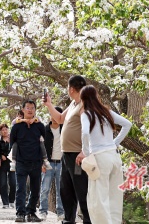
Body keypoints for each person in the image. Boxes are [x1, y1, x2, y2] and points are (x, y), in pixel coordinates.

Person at [79, 85, 132, 224]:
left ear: (83, 99)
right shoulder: (106, 112)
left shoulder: (86, 114)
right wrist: (115, 143)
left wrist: (86, 152)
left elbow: (85, 133)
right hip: (114, 156)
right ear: (96, 96)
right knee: (115, 196)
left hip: (100, 157)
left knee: (98, 197)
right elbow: (127, 124)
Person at [44, 75, 92, 224]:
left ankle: (88, 220)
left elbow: (88, 130)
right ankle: (68, 219)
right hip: (66, 154)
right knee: (66, 188)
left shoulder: (84, 104)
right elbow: (59, 119)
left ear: (71, 89)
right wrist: (49, 105)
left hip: (77, 155)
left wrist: (84, 151)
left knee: (80, 187)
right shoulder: (73, 103)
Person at [11, 100, 46, 223]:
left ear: (35, 110)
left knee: (35, 189)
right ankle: (20, 213)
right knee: (20, 189)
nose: (30, 110)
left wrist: (43, 161)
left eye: (32, 108)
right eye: (27, 107)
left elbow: (44, 142)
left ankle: (31, 212)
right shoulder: (16, 126)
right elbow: (12, 142)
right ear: (23, 109)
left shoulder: (40, 126)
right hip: (21, 162)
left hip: (36, 162)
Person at [40, 107, 64, 219]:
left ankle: (61, 213)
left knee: (61, 190)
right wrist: (42, 163)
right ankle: (43, 211)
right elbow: (40, 148)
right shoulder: (44, 130)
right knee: (45, 189)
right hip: (47, 163)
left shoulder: (65, 129)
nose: (54, 118)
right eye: (52, 115)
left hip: (61, 163)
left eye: (57, 115)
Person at [0, 123, 16, 209]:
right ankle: (5, 202)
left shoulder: (12, 139)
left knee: (13, 182)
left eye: (6, 129)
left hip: (12, 163)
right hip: (2, 164)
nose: (5, 131)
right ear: (0, 131)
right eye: (3, 130)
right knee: (3, 183)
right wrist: (0, 156)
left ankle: (11, 200)